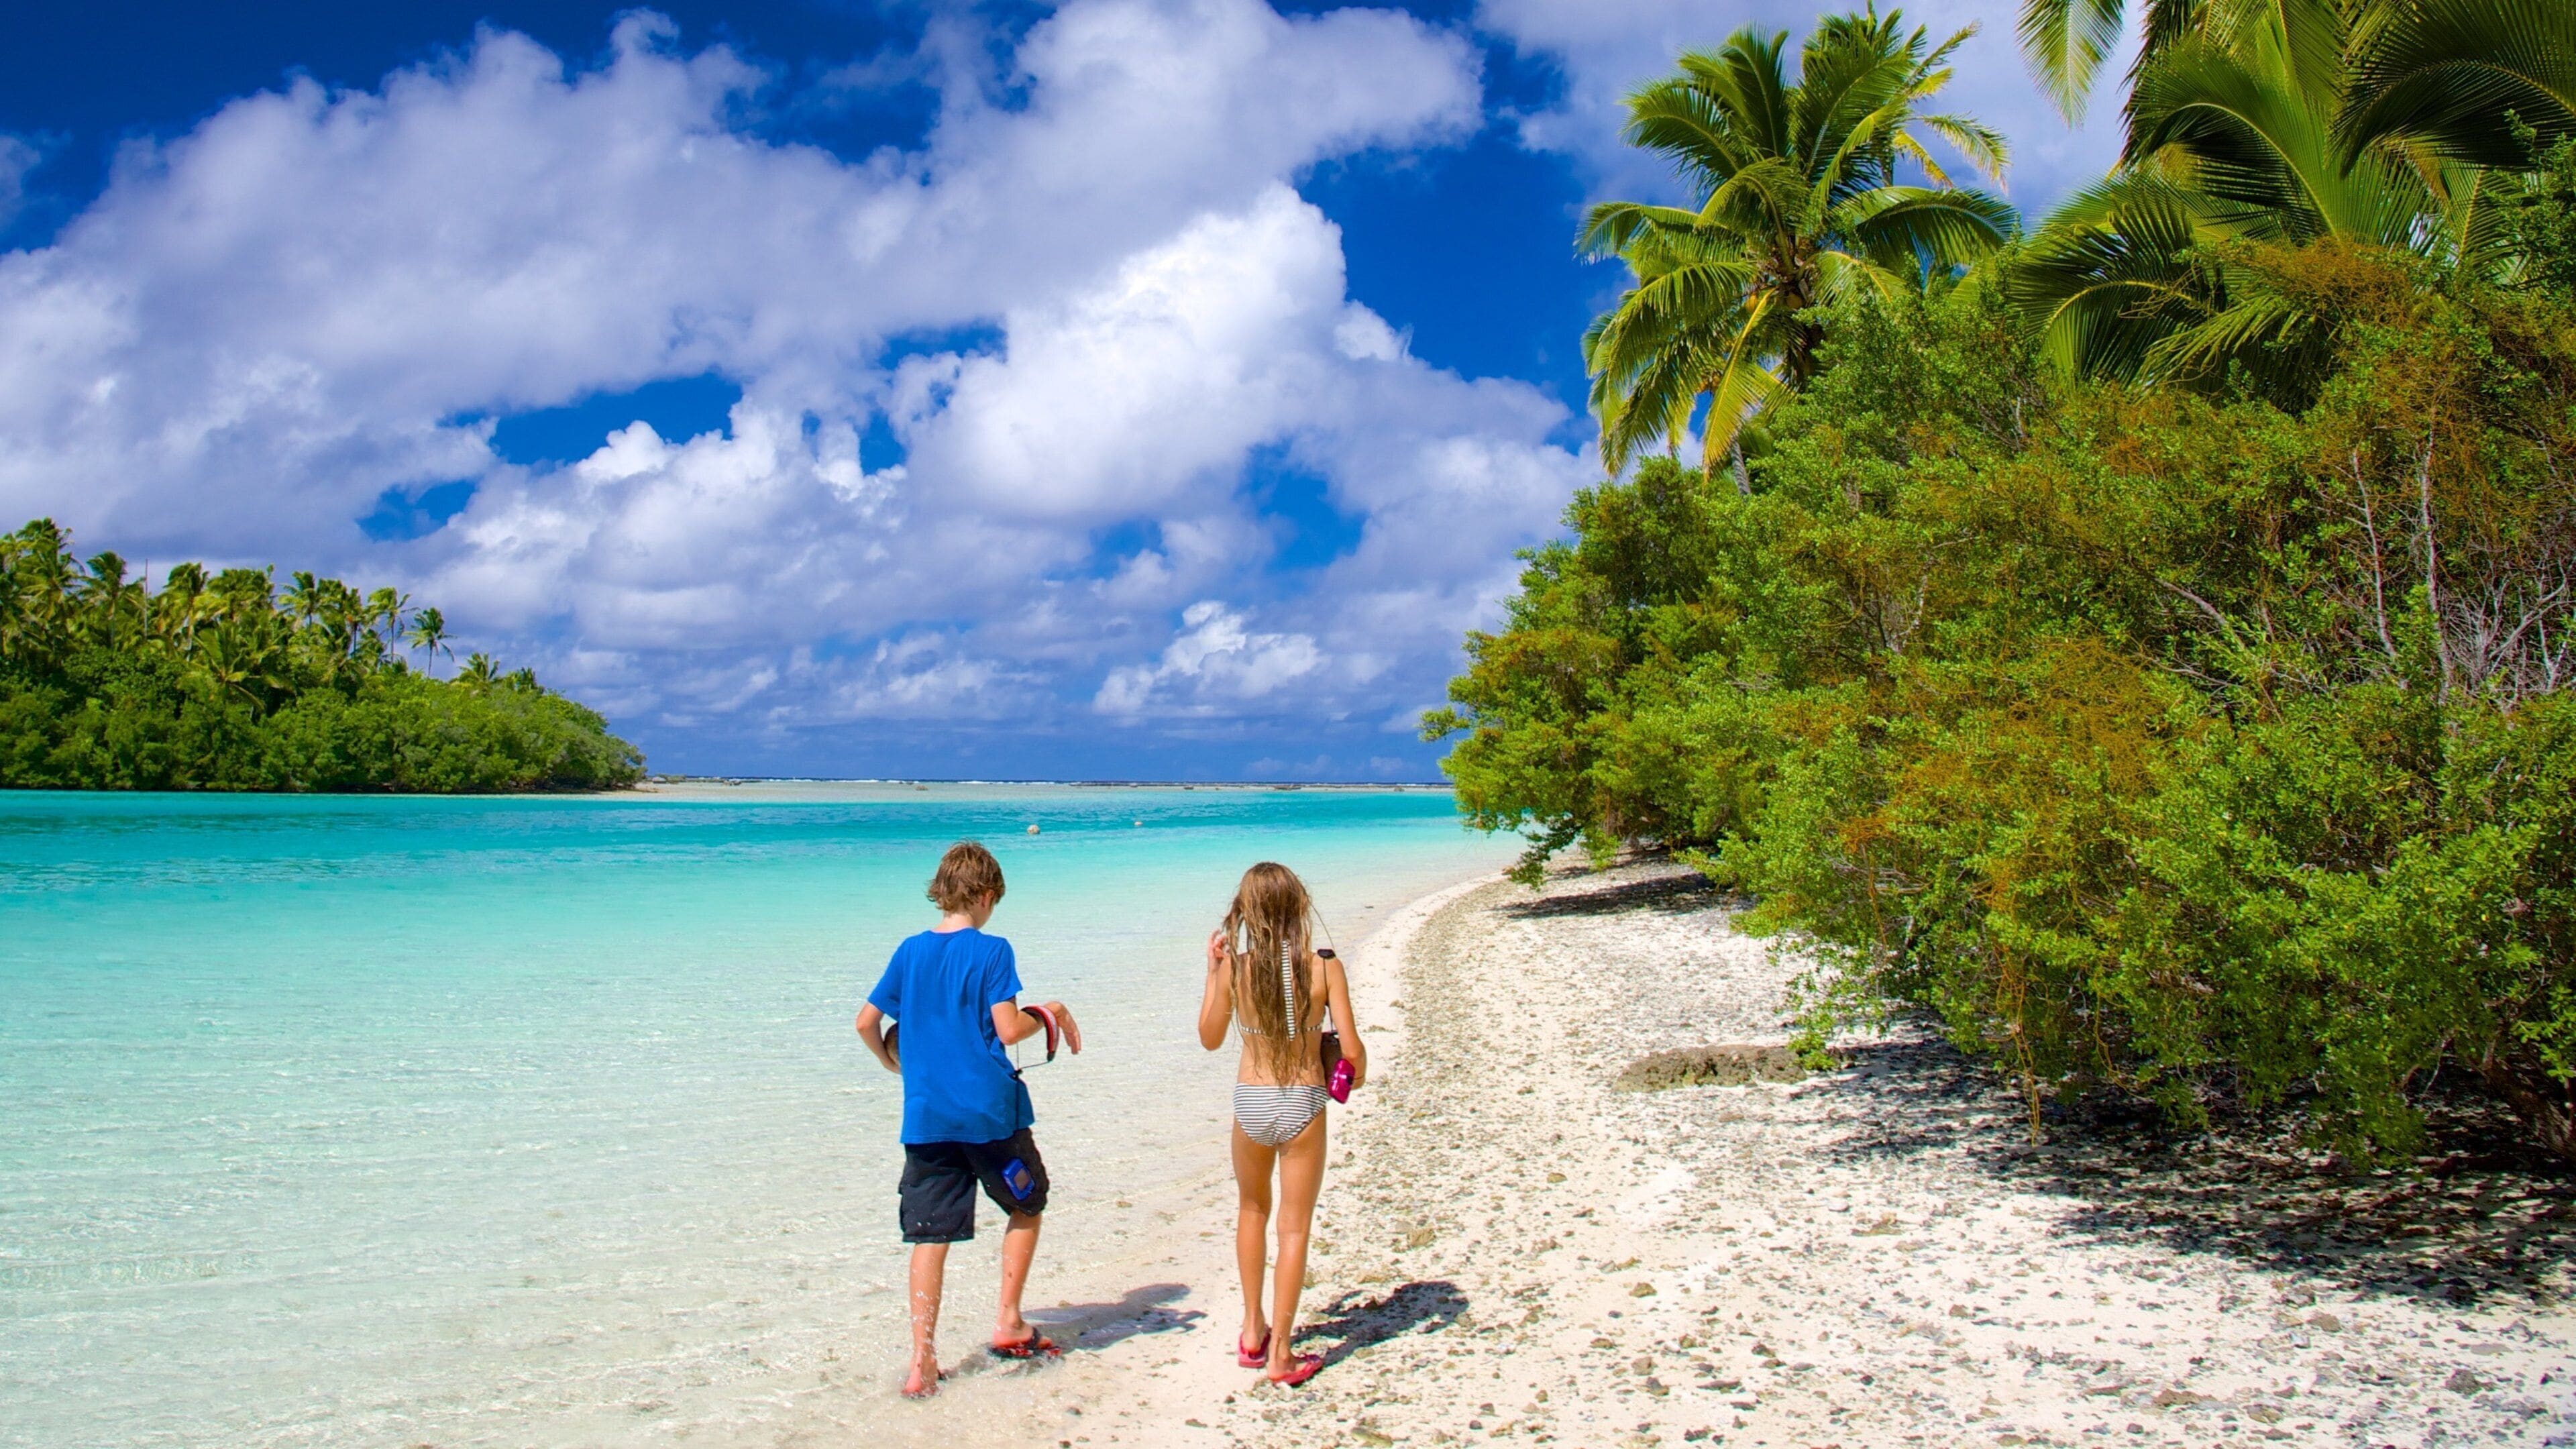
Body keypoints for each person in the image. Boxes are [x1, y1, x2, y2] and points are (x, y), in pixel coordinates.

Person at [855, 841, 1082, 1400]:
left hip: (927, 1118)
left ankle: (923, 1363)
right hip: (989, 1118)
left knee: (930, 1237)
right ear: (985, 896)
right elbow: (1007, 1030)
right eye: (993, 901)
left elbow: (865, 1022)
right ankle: (1007, 1321)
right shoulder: (992, 950)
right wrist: (1047, 1014)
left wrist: (893, 1064)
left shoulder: (909, 951)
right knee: (1028, 1205)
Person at [1195, 861, 1366, 1388]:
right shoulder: (1325, 967)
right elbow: (1355, 1066)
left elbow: (1209, 1039)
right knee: (1293, 1227)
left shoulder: (1236, 969)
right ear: (1299, 907)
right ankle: (1283, 1355)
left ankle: (1252, 1333)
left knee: (1251, 1210)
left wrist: (1212, 972)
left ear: (1245, 913)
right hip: (1301, 1101)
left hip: (1251, 1098)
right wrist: (1332, 1050)